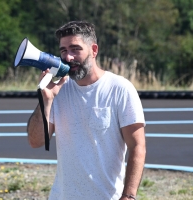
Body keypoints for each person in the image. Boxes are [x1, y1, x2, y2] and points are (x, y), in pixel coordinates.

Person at [27, 21, 146, 200]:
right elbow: (36, 141)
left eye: (75, 49)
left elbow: (137, 146)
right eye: (63, 51)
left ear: (94, 50)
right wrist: (45, 99)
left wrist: (129, 195)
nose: (68, 57)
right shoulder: (59, 89)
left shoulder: (120, 88)